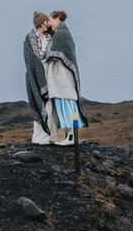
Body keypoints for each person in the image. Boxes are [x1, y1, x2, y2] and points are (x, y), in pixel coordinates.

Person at [42, 10, 89, 145]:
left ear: (57, 19)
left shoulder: (61, 33)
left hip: (62, 74)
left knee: (65, 102)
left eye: (50, 20)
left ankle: (70, 136)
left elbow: (52, 53)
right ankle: (69, 135)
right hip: (62, 74)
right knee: (65, 102)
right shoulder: (62, 32)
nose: (49, 23)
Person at [24, 11, 60, 145]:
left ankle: (53, 136)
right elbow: (30, 59)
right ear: (40, 23)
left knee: (52, 105)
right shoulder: (30, 38)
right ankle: (40, 137)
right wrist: (37, 75)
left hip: (50, 71)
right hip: (36, 73)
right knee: (40, 105)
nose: (48, 24)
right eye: (46, 21)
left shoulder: (50, 36)